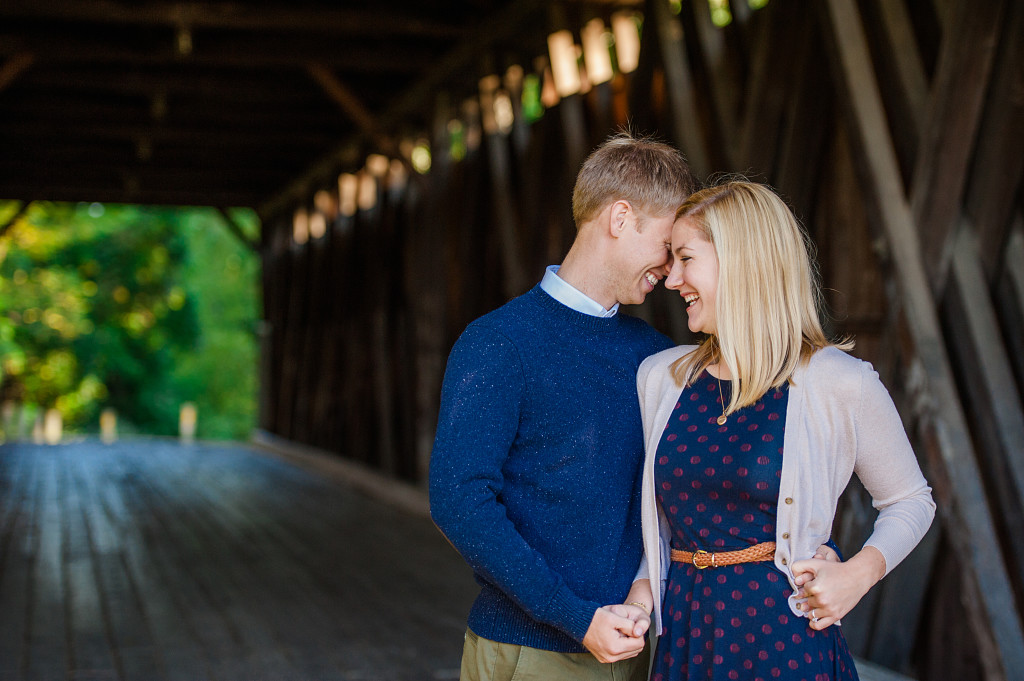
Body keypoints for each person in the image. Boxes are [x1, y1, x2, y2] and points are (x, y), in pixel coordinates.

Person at [624, 180, 935, 681]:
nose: (672, 278)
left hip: (784, 642)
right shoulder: (661, 378)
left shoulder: (839, 381)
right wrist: (642, 596)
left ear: (742, 262)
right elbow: (657, 527)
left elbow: (911, 500)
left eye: (686, 259)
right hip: (685, 634)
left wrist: (857, 574)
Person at [429, 132, 696, 680]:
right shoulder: (499, 343)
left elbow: (678, 491)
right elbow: (458, 501)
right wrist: (575, 618)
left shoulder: (654, 357)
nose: (672, 272)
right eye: (666, 245)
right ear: (620, 218)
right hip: (529, 653)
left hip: (630, 648)